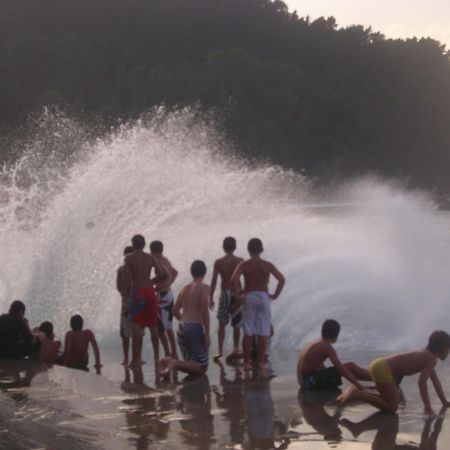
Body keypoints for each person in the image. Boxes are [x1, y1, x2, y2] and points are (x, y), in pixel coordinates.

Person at [337, 330, 450, 415]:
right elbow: (422, 382)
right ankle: (358, 393)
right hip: (384, 369)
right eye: (448, 349)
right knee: (392, 407)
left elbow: (436, 382)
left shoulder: (426, 355)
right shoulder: (431, 359)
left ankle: (354, 391)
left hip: (380, 364)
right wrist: (427, 407)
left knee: (387, 399)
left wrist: (444, 401)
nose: (449, 352)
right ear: (442, 348)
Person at [231, 238, 285, 371]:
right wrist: (275, 295)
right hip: (263, 297)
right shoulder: (267, 265)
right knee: (263, 331)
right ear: (261, 249)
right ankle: (261, 362)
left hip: (250, 296)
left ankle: (247, 363)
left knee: (248, 331)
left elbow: (233, 279)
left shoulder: (244, 265)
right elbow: (281, 279)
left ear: (248, 250)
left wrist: (238, 295)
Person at [159, 260, 210, 377]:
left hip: (182, 327)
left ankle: (168, 362)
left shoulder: (184, 288)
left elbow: (174, 311)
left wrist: (186, 323)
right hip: (194, 328)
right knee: (202, 367)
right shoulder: (205, 287)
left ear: (192, 273)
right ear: (205, 272)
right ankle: (173, 363)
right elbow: (204, 309)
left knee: (191, 364)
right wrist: (206, 333)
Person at [123, 234, 165, 367]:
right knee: (153, 326)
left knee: (137, 327)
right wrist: (151, 282)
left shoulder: (129, 258)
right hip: (149, 292)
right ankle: (157, 358)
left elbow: (127, 279)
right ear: (144, 244)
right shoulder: (150, 257)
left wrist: (126, 296)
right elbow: (162, 274)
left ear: (133, 244)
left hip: (137, 293)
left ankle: (136, 359)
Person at [297, 319, 369, 390]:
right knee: (350, 366)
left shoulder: (312, 343)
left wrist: (300, 381)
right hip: (310, 382)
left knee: (348, 368)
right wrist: (359, 386)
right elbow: (341, 369)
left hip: (305, 381)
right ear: (336, 335)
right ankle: (377, 378)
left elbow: (299, 363)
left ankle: (374, 379)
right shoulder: (326, 347)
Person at [210, 237, 244, 359]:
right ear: (234, 247)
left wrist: (210, 297)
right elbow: (246, 278)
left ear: (223, 247)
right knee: (237, 323)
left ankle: (220, 351)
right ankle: (236, 348)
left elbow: (214, 280)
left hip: (224, 293)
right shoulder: (240, 261)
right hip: (237, 293)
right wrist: (244, 294)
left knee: (222, 323)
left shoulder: (219, 262)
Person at [150, 240, 179, 358]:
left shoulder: (159, 261)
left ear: (152, 251)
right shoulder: (165, 259)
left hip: (163, 296)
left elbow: (166, 274)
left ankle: (171, 353)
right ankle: (171, 352)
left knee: (163, 326)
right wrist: (167, 284)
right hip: (167, 294)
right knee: (164, 326)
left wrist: (155, 284)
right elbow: (174, 273)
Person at [116, 245, 135, 365]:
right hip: (135, 300)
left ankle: (127, 358)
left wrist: (124, 294)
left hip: (127, 300)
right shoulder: (134, 269)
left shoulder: (121, 270)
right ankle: (133, 357)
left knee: (126, 332)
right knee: (134, 330)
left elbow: (118, 286)